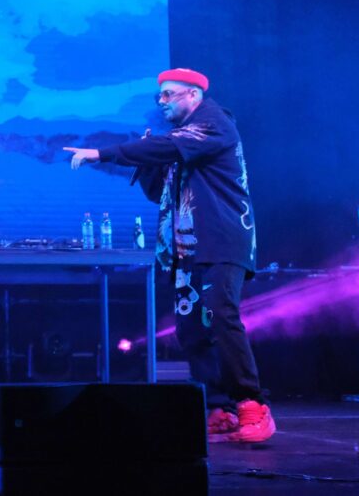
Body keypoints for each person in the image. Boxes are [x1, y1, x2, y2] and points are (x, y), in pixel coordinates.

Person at [64, 68, 275, 444]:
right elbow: (159, 192)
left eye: (168, 94)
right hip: (185, 249)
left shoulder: (214, 122)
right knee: (192, 329)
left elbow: (168, 147)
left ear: (193, 95)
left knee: (221, 316)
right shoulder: (183, 140)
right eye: (158, 96)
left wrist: (102, 153)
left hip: (221, 240)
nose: (161, 101)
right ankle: (219, 409)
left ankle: (252, 404)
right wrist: (148, 163)